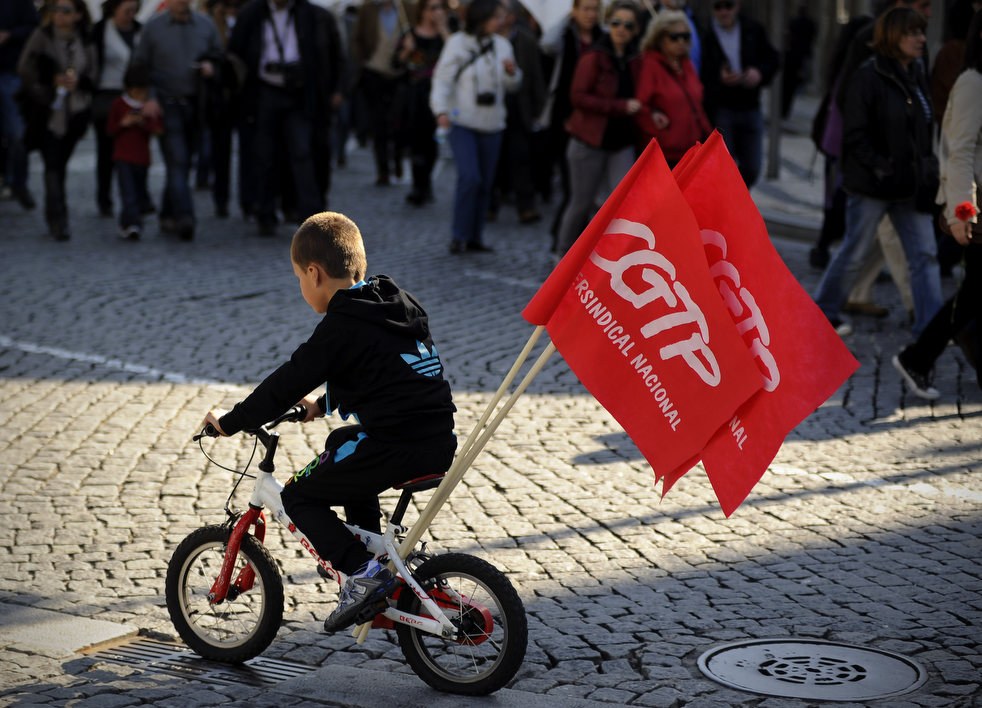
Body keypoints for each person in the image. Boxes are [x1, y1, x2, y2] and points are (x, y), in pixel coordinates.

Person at [202, 210, 457, 633]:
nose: (301, 287)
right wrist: (320, 405)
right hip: (434, 437)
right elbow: (382, 370)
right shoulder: (391, 301)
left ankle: (362, 574)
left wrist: (231, 422)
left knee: (298, 498)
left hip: (395, 444)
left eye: (299, 278)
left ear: (314, 273)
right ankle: (370, 555)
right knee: (342, 439)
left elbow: (285, 382)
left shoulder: (341, 326)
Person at [813, 7, 943, 338]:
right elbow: (855, 134)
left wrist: (926, 168)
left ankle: (931, 328)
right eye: (913, 33)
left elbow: (923, 131)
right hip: (875, 184)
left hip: (910, 186)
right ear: (893, 37)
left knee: (924, 255)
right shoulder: (868, 76)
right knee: (854, 251)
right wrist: (881, 167)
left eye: (922, 32)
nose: (921, 39)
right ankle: (822, 313)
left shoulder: (915, 73)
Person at [894, 9, 982, 399]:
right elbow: (959, 153)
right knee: (971, 298)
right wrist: (962, 212)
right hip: (976, 210)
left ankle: (918, 357)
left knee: (973, 298)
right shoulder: (973, 83)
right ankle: (916, 357)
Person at [228, 0, 342, 236]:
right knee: (265, 154)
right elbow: (235, 55)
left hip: (299, 92)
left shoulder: (311, 15)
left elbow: (332, 54)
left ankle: (311, 216)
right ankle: (265, 212)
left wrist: (333, 90)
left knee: (302, 152)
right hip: (264, 91)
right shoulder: (252, 14)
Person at [554, 0, 646, 257]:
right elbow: (578, 97)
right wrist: (619, 106)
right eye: (616, 23)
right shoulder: (594, 56)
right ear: (608, 24)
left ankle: (607, 260)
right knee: (581, 203)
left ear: (636, 29)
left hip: (621, 142)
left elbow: (643, 96)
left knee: (621, 205)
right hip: (588, 141)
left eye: (628, 25)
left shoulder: (636, 59)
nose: (621, 29)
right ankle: (562, 255)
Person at [430, 0, 521, 254]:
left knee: (485, 183)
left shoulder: (502, 45)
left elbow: (512, 85)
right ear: (481, 18)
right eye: (495, 16)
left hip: (493, 123)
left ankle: (475, 236)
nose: (499, 21)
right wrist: (441, 110)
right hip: (463, 122)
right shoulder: (458, 43)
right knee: (470, 177)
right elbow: (442, 79)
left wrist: (512, 73)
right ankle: (459, 235)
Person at [132, 0, 223, 241]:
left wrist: (210, 67)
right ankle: (185, 216)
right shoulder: (154, 28)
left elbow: (219, 57)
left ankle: (167, 213)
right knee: (178, 160)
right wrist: (149, 97)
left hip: (196, 105)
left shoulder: (205, 25)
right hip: (166, 103)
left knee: (183, 162)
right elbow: (141, 65)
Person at [17, 0, 96, 241]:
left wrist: (79, 83)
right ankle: (57, 217)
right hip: (48, 111)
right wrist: (50, 80)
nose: (60, 16)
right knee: (52, 164)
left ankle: (57, 211)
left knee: (60, 163)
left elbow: (93, 71)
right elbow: (25, 68)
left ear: (78, 14)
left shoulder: (85, 38)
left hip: (76, 111)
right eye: (57, 10)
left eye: (66, 11)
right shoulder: (42, 36)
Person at [538, 0, 604, 241]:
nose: (590, 14)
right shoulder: (564, 35)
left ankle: (574, 237)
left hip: (593, 118)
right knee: (572, 187)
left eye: (595, 9)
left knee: (588, 189)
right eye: (585, 9)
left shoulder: (602, 37)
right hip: (563, 118)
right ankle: (563, 239)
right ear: (574, 11)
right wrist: (566, 19)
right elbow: (546, 44)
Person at [699, 0, 779, 188]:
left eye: (728, 6)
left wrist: (758, 72)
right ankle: (729, 208)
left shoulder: (753, 29)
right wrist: (718, 76)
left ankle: (737, 202)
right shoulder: (705, 34)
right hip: (721, 107)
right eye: (718, 7)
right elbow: (700, 70)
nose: (724, 11)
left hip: (750, 105)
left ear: (737, 6)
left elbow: (772, 58)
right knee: (724, 167)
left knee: (752, 166)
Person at [489, 0, 546, 224]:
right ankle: (489, 206)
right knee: (493, 159)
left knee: (521, 157)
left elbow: (536, 76)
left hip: (518, 108)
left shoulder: (526, 40)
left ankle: (526, 206)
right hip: (492, 108)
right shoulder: (486, 40)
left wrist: (538, 108)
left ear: (512, 16)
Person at [637, 9, 710, 167]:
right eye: (674, 37)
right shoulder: (650, 65)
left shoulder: (686, 65)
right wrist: (663, 137)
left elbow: (696, 104)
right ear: (660, 39)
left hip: (692, 151)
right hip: (664, 155)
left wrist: (709, 136)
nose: (681, 42)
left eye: (685, 37)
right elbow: (641, 107)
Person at [393, 0, 449, 206]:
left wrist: (443, 29)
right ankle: (418, 185)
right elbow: (396, 63)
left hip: (438, 95)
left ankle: (426, 183)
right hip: (415, 95)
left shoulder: (446, 36)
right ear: (423, 11)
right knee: (417, 142)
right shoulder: (410, 34)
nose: (437, 12)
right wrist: (406, 51)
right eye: (432, 8)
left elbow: (456, 56)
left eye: (440, 7)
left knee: (433, 143)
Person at [351, 0, 413, 186]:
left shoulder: (406, 8)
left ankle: (398, 159)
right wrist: (363, 60)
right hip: (374, 72)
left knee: (399, 121)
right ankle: (383, 169)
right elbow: (357, 38)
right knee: (378, 123)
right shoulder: (368, 9)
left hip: (400, 73)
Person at [90, 0, 141, 219]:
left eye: (133, 10)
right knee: (107, 149)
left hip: (133, 96)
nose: (130, 15)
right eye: (126, 10)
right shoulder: (101, 30)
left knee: (132, 148)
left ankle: (134, 197)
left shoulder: (139, 31)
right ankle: (104, 197)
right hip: (107, 95)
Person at [106, 62, 162, 240]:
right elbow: (110, 130)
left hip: (141, 158)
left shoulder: (147, 107)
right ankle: (132, 224)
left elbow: (157, 129)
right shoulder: (118, 104)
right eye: (136, 92)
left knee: (137, 191)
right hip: (123, 156)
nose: (139, 96)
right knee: (127, 192)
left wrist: (144, 121)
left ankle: (128, 220)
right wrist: (124, 123)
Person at [0, 0, 39, 211]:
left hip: (10, 71)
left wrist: (9, 35)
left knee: (17, 132)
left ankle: (19, 183)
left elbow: (33, 25)